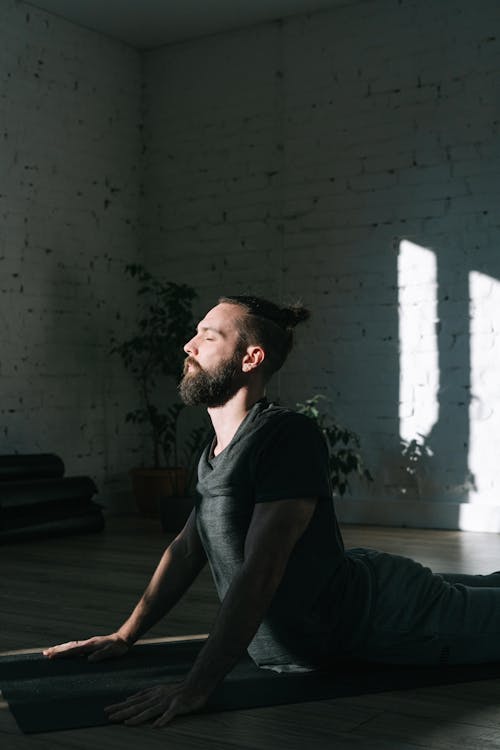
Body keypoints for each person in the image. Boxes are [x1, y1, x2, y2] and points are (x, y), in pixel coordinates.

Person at [43, 295, 500, 729]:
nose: (189, 344)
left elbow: (262, 569)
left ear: (251, 359)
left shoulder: (285, 437)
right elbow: (186, 550)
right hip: (356, 589)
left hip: (388, 614)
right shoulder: (214, 452)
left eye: (208, 335)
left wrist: (195, 688)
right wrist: (125, 636)